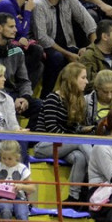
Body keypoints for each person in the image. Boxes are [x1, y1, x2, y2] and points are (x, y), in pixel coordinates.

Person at [35, 62, 93, 203]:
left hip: (64, 146)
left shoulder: (77, 101)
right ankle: (98, 170)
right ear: (72, 79)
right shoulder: (53, 98)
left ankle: (73, 197)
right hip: (45, 145)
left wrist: (85, 129)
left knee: (79, 157)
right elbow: (52, 129)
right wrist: (73, 138)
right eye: (83, 77)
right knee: (80, 142)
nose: (87, 81)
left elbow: (72, 129)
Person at [32, 0, 96, 95]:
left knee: (87, 57)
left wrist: (91, 48)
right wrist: (67, 54)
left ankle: (82, 96)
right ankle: (47, 95)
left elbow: (88, 21)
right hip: (45, 48)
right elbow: (42, 38)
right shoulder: (38, 4)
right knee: (57, 58)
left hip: (68, 45)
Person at [0, 12, 40, 127]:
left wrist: (25, 97)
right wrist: (9, 100)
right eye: (11, 27)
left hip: (13, 95)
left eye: (15, 26)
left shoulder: (17, 51)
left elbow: (24, 80)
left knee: (40, 106)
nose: (15, 30)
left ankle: (27, 137)